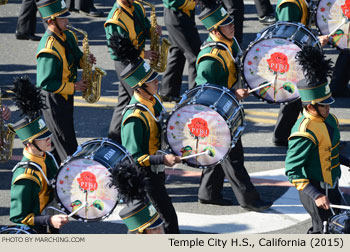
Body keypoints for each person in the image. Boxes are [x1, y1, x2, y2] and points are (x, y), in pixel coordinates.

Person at [195, 2, 272, 211]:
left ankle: (208, 192)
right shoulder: (210, 60)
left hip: (227, 107)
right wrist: (232, 93)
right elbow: (205, 95)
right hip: (216, 114)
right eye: (226, 24)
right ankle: (250, 199)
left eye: (230, 21)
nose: (232, 25)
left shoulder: (229, 42)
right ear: (214, 30)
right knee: (233, 156)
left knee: (222, 153)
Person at [108, 33, 181, 233]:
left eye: (156, 79)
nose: (157, 83)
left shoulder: (152, 100)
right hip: (145, 175)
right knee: (164, 221)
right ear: (140, 88)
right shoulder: (134, 118)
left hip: (157, 168)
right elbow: (135, 157)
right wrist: (162, 159)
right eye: (152, 81)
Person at [285, 46, 350, 234]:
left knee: (338, 227)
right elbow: (292, 170)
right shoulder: (303, 133)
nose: (328, 108)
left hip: (332, 186)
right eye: (324, 106)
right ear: (311, 106)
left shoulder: (329, 119)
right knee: (323, 231)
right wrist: (316, 194)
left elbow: (332, 150)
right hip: (314, 190)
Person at [9, 76, 69, 234]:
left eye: (48, 135)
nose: (49, 139)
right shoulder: (25, 177)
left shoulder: (46, 157)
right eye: (43, 138)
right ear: (29, 143)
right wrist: (49, 220)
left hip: (50, 222)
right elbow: (19, 217)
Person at [36, 0, 92, 164]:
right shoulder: (48, 49)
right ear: (51, 21)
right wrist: (73, 87)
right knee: (65, 142)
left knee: (62, 139)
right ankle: (67, 175)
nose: (67, 21)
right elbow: (45, 83)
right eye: (63, 19)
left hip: (65, 95)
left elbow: (75, 56)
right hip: (53, 100)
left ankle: (55, 174)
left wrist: (85, 60)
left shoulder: (67, 35)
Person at [273, 0, 329, 146]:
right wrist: (314, 42)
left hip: (301, 53)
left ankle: (282, 134)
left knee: (296, 97)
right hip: (294, 56)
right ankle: (325, 135)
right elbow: (286, 37)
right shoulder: (289, 4)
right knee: (311, 95)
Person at [105, 0, 160, 143]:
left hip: (136, 60)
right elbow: (117, 53)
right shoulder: (115, 20)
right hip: (126, 64)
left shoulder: (136, 6)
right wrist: (143, 54)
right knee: (143, 97)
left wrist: (153, 31)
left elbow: (145, 27)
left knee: (125, 101)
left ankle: (113, 139)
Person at [159, 0, 201, 102]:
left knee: (177, 52)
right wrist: (192, 3)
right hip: (178, 14)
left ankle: (168, 91)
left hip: (181, 14)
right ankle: (196, 96)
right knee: (196, 57)